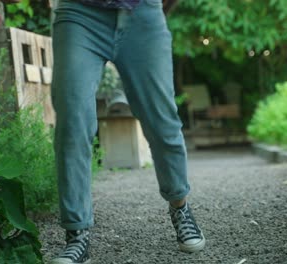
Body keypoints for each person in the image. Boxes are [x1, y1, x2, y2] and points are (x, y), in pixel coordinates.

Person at [50, 0, 205, 263]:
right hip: (79, 13)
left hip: (142, 12)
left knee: (162, 120)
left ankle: (180, 205)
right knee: (72, 121)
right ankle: (76, 234)